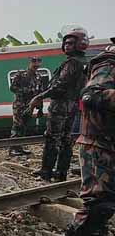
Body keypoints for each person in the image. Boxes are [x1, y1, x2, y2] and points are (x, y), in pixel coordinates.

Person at [59, 37, 115, 236]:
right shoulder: (108, 62)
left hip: (108, 143)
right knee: (97, 207)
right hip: (99, 145)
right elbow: (92, 95)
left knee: (103, 209)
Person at [30, 27, 89, 181]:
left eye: (70, 43)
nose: (67, 46)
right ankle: (61, 172)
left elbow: (60, 85)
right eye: (66, 43)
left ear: (79, 44)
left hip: (61, 104)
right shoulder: (84, 62)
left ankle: (46, 172)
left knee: (52, 137)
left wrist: (40, 96)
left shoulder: (72, 62)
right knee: (66, 139)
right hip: (73, 104)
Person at [8, 56, 45, 156]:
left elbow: (40, 93)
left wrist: (40, 108)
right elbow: (13, 88)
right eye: (34, 62)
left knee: (24, 127)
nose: (36, 64)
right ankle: (13, 149)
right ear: (29, 63)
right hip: (20, 105)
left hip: (31, 106)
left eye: (38, 62)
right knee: (17, 126)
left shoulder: (39, 76)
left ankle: (20, 147)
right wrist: (26, 92)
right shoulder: (20, 74)